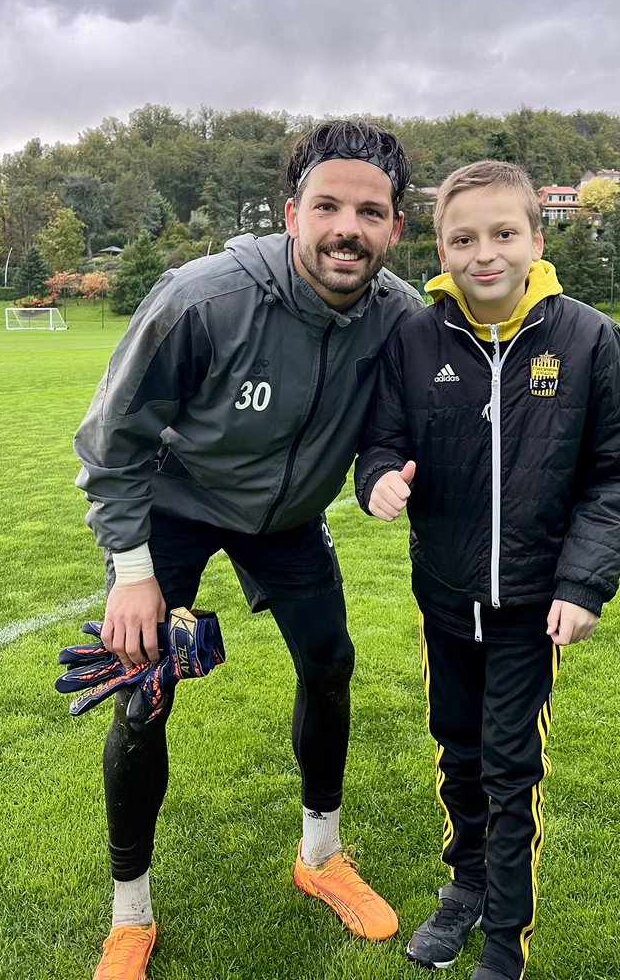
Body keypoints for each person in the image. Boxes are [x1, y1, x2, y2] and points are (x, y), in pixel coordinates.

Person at [71, 119, 424, 980]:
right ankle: (130, 913)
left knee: (331, 663)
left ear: (395, 229)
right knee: (144, 695)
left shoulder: (401, 319)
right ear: (291, 212)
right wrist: (133, 573)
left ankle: (321, 855)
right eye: (329, 205)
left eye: (370, 212)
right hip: (177, 509)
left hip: (290, 520)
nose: (349, 227)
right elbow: (110, 439)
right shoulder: (204, 298)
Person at [354, 161, 620, 980]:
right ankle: (467, 883)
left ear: (536, 240)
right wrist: (376, 477)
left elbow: (615, 475)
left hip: (532, 606)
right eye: (462, 238)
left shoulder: (586, 337)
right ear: (441, 248)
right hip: (445, 598)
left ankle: (502, 946)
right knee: (458, 752)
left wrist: (583, 584)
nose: (483, 254)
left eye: (502, 233)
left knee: (512, 767)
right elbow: (381, 440)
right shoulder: (412, 337)